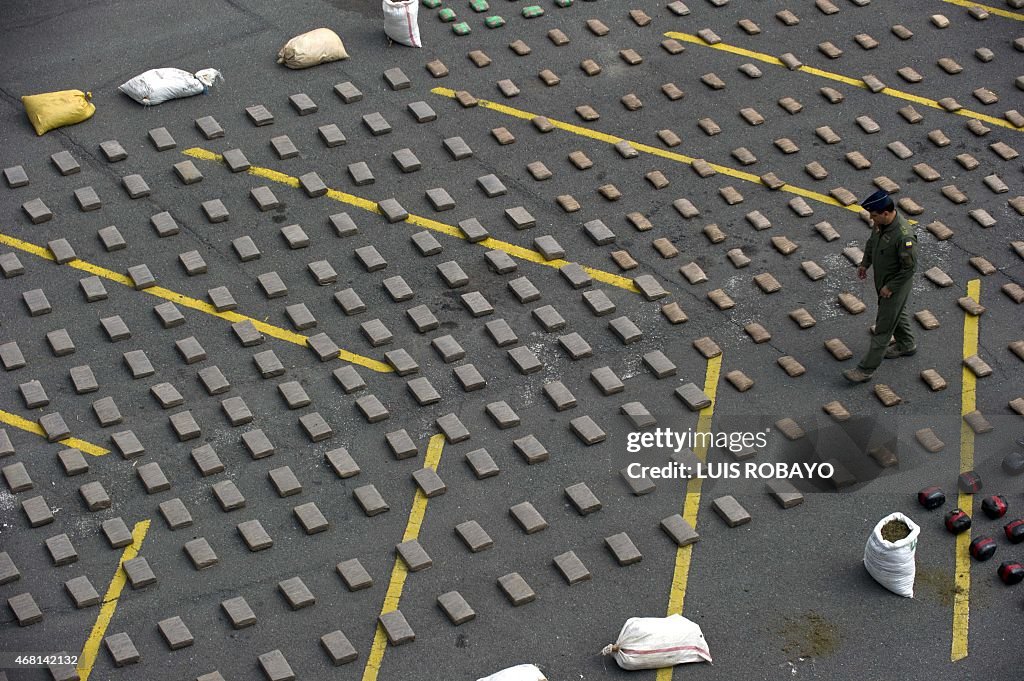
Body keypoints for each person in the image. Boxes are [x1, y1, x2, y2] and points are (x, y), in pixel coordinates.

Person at [843, 189, 918, 383]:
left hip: (895, 286)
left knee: (883, 329)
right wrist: (864, 263)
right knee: (896, 314)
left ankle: (865, 370)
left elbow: (909, 269)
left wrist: (891, 287)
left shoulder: (904, 237)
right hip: (883, 280)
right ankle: (906, 344)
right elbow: (872, 244)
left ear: (886, 213)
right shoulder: (881, 224)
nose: (871, 218)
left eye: (874, 215)